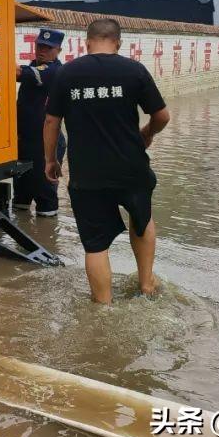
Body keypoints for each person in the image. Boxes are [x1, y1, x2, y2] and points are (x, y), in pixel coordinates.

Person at [43, 18, 170, 303]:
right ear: (119, 43)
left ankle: (103, 305)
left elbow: (51, 120)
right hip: (131, 168)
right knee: (142, 220)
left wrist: (50, 160)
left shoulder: (67, 73)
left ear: (86, 43)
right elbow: (162, 116)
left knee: (95, 244)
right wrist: (146, 134)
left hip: (88, 174)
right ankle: (146, 284)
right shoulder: (134, 70)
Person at [13, 28, 66, 216]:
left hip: (46, 145)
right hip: (25, 142)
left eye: (48, 47)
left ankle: (49, 240)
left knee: (46, 197)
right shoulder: (34, 65)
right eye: (40, 46)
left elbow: (17, 73)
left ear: (58, 50)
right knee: (20, 198)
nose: (42, 50)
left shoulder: (53, 71)